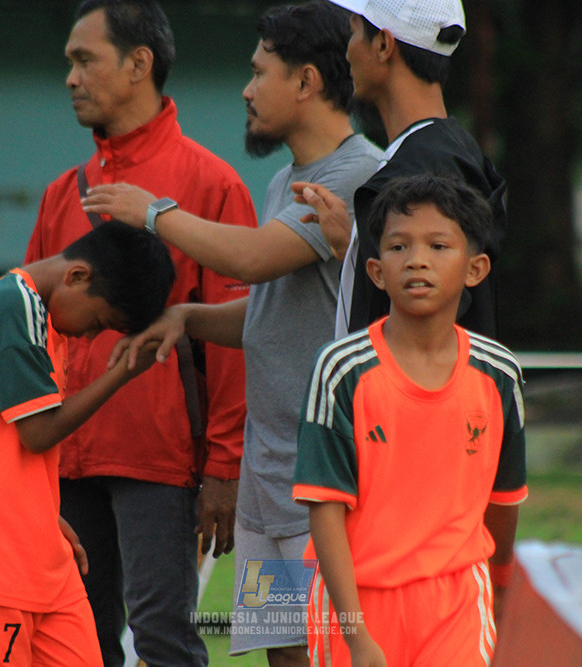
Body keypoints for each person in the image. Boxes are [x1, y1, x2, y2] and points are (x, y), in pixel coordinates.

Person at [89, 3, 381, 664]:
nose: (246, 91)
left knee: (325, 650)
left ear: (306, 83)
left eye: (259, 73)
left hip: (324, 476)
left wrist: (153, 212)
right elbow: (270, 307)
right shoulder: (286, 180)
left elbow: (250, 259)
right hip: (266, 472)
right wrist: (190, 318)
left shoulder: (357, 173)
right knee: (283, 652)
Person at [23, 1, 258, 664]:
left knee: (163, 639)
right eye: (70, 61)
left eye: (84, 59)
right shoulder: (59, 193)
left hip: (161, 462)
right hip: (64, 458)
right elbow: (31, 327)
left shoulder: (211, 184)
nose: (70, 76)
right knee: (74, 641)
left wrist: (223, 465)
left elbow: (233, 342)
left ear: (138, 64)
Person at [0, 221, 175, 667]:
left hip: (38, 557)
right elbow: (38, 432)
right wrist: (124, 371)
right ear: (77, 276)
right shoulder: (9, 304)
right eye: (97, 322)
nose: (90, 337)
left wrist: (40, 510)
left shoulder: (45, 320)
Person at [292, 174, 527, 665]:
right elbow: (325, 511)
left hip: (457, 597)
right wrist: (356, 638)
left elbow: (503, 499)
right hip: (356, 604)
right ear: (376, 271)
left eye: (439, 245)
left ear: (475, 268)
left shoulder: (498, 373)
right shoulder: (341, 371)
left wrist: (501, 587)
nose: (417, 259)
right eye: (399, 246)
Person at [294, 0, 508, 340]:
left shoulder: (422, 175)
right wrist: (351, 242)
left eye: (352, 33)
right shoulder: (448, 150)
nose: (346, 52)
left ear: (383, 45)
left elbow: (426, 331)